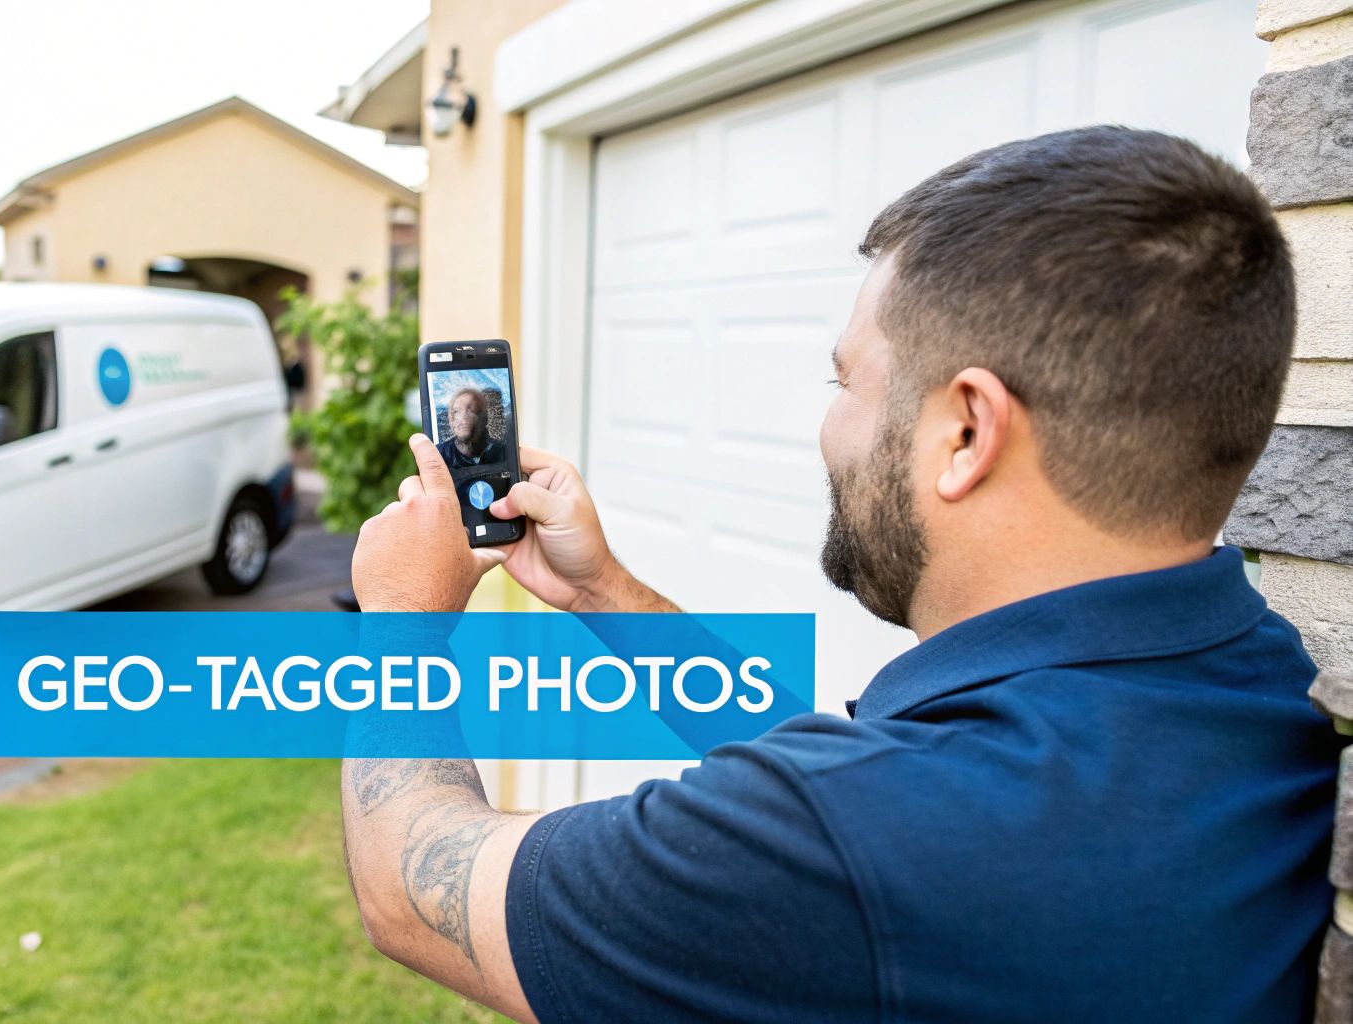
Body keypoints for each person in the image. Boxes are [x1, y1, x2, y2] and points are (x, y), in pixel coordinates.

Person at [340, 126, 1341, 1023]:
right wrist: (602, 590)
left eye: (845, 380)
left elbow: (409, 890)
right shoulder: (1261, 676)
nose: (828, 425)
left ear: (965, 431)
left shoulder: (856, 844)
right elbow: (860, 787)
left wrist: (401, 619)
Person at [439, 386, 506, 468]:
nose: (463, 417)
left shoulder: (503, 452)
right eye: (456, 411)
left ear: (484, 418)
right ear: (450, 420)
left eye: (471, 410)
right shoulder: (439, 454)